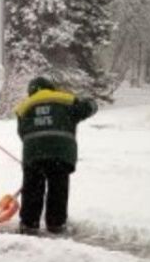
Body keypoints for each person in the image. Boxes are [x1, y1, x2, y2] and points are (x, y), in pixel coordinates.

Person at [14, 77, 98, 235]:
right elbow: (87, 108)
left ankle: (29, 225)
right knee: (58, 189)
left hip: (34, 154)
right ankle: (56, 224)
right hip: (61, 153)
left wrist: (38, 148)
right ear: (50, 87)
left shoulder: (24, 107)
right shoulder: (65, 100)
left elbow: (22, 132)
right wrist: (91, 103)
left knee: (32, 189)